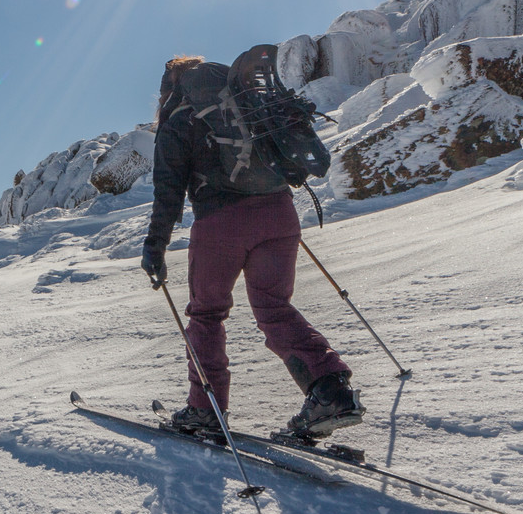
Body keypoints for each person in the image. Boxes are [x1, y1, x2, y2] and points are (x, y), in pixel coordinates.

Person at [140, 48, 362, 438]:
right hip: (279, 212)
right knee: (275, 308)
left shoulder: (180, 117)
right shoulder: (248, 101)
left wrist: (155, 248)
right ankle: (329, 391)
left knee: (207, 314)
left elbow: (168, 192)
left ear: (170, 87)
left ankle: (205, 410)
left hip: (220, 225)